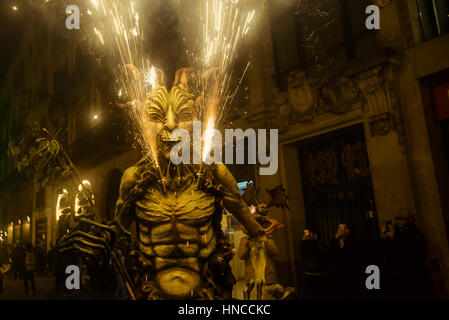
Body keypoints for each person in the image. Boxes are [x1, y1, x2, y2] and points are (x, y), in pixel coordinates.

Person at [380, 210, 432, 299]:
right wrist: (385, 237)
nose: (398, 221)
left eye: (402, 219)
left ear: (409, 220)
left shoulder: (414, 234)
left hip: (413, 275)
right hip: (400, 275)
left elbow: (409, 252)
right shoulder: (396, 232)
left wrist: (393, 238)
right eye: (397, 219)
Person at [326, 223, 364, 299]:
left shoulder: (354, 240)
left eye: (345, 228)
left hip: (352, 275)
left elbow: (355, 255)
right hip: (339, 275)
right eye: (340, 228)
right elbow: (328, 253)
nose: (343, 230)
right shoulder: (335, 241)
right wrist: (336, 238)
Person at [299, 229, 330, 299]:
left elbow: (322, 253)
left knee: (321, 293)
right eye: (305, 233)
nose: (307, 235)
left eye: (309, 233)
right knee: (312, 293)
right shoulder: (305, 245)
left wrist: (315, 240)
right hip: (309, 273)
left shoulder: (318, 243)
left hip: (319, 272)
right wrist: (303, 241)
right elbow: (303, 253)